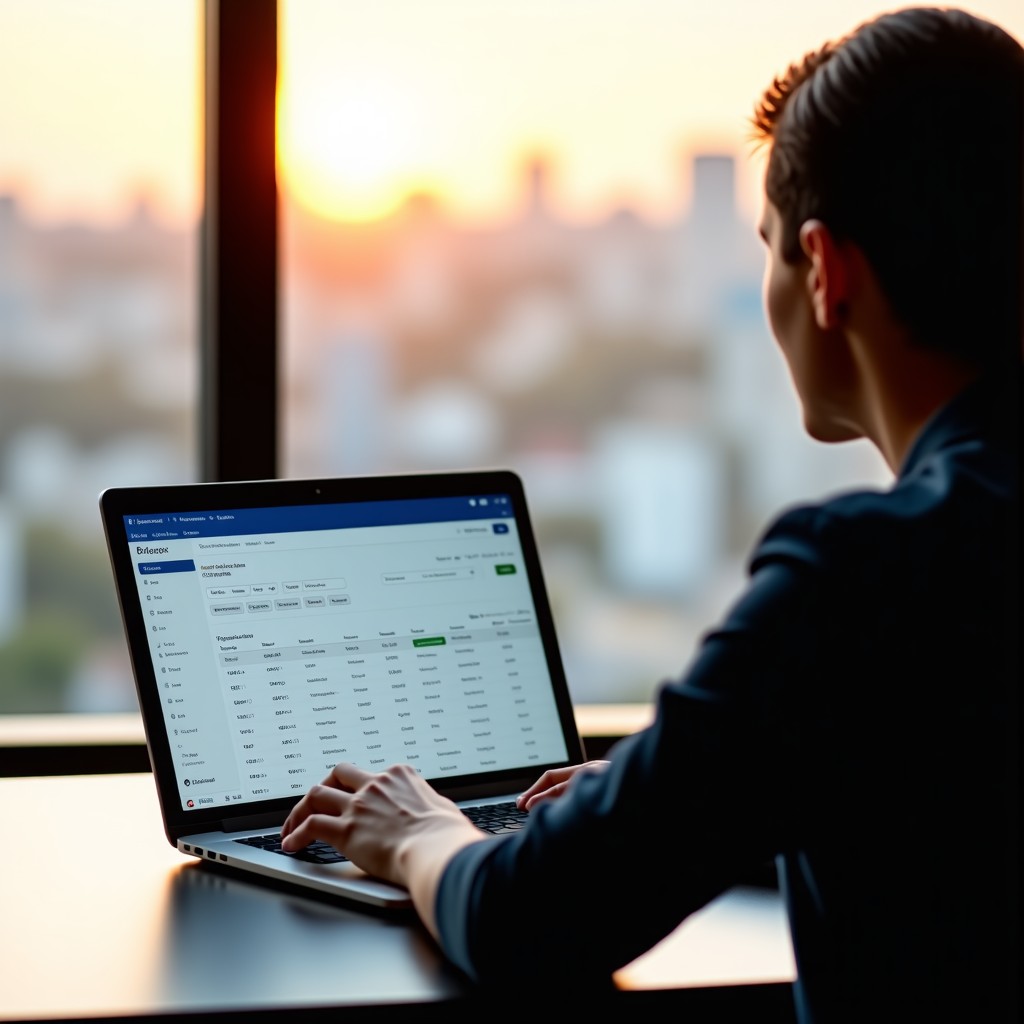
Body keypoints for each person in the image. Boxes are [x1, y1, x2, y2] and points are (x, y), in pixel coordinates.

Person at [282, 8, 1022, 1022]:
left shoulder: (865, 574)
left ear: (828, 275)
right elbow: (959, 812)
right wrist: (684, 789)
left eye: (768, 250)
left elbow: (526, 917)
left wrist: (417, 833)